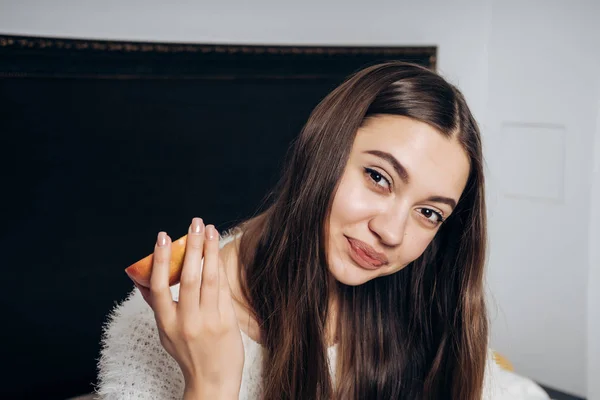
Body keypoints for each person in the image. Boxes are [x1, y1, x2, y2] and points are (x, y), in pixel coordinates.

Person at [97, 61, 501, 399]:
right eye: (378, 177)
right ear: (322, 149)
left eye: (429, 212)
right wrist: (211, 384)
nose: (391, 233)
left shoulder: (436, 307)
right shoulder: (166, 319)